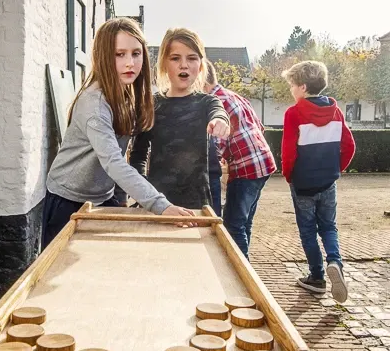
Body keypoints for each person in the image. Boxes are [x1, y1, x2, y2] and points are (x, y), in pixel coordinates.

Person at [41, 17, 197, 247]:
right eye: (119, 54)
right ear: (104, 56)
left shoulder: (127, 92)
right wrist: (161, 205)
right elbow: (113, 162)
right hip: (67, 200)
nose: (130, 63)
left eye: (136, 53)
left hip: (103, 197)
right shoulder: (94, 105)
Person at [128, 28, 230, 209]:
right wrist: (143, 193)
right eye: (175, 58)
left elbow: (219, 112)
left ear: (200, 66)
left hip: (197, 206)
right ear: (164, 64)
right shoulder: (151, 105)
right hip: (158, 205)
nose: (184, 65)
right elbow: (138, 156)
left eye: (191, 58)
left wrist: (221, 121)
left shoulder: (207, 102)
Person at [281, 59, 356, 303]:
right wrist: (336, 169)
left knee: (307, 231)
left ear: (302, 87)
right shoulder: (336, 112)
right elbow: (349, 146)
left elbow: (289, 151)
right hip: (327, 182)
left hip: (303, 184)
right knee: (329, 227)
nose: (291, 90)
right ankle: (335, 261)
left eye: (292, 85)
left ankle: (317, 277)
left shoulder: (293, 113)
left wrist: (289, 175)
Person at [203, 61, 276, 255]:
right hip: (263, 162)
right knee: (244, 223)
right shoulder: (234, 95)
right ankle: (246, 264)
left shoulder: (215, 102)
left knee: (233, 226)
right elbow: (259, 127)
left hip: (246, 168)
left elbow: (216, 147)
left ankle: (243, 275)